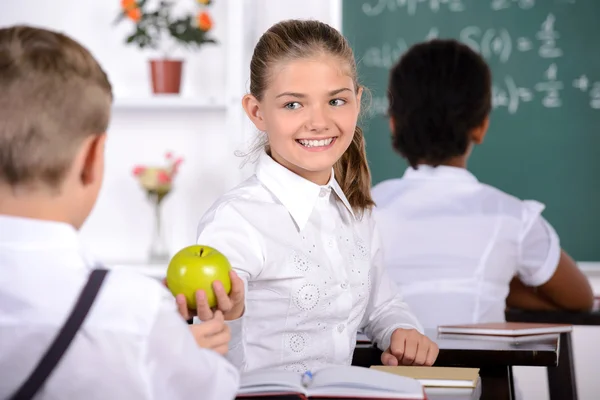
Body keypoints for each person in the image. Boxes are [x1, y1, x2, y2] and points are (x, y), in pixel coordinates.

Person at [174, 19, 439, 373]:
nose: (319, 121)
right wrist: (232, 315)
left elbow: (382, 303)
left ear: (357, 102)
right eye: (293, 105)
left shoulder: (355, 211)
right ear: (257, 112)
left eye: (336, 100)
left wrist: (400, 329)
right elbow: (208, 365)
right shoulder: (237, 221)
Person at [0, 25, 238, 399]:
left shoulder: (135, 315)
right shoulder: (134, 312)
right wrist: (181, 349)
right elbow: (213, 390)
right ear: (92, 158)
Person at [371, 39, 594, 329]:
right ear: (481, 126)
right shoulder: (512, 218)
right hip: (478, 375)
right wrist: (498, 286)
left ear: (394, 124)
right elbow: (580, 298)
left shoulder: (362, 210)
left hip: (378, 375)